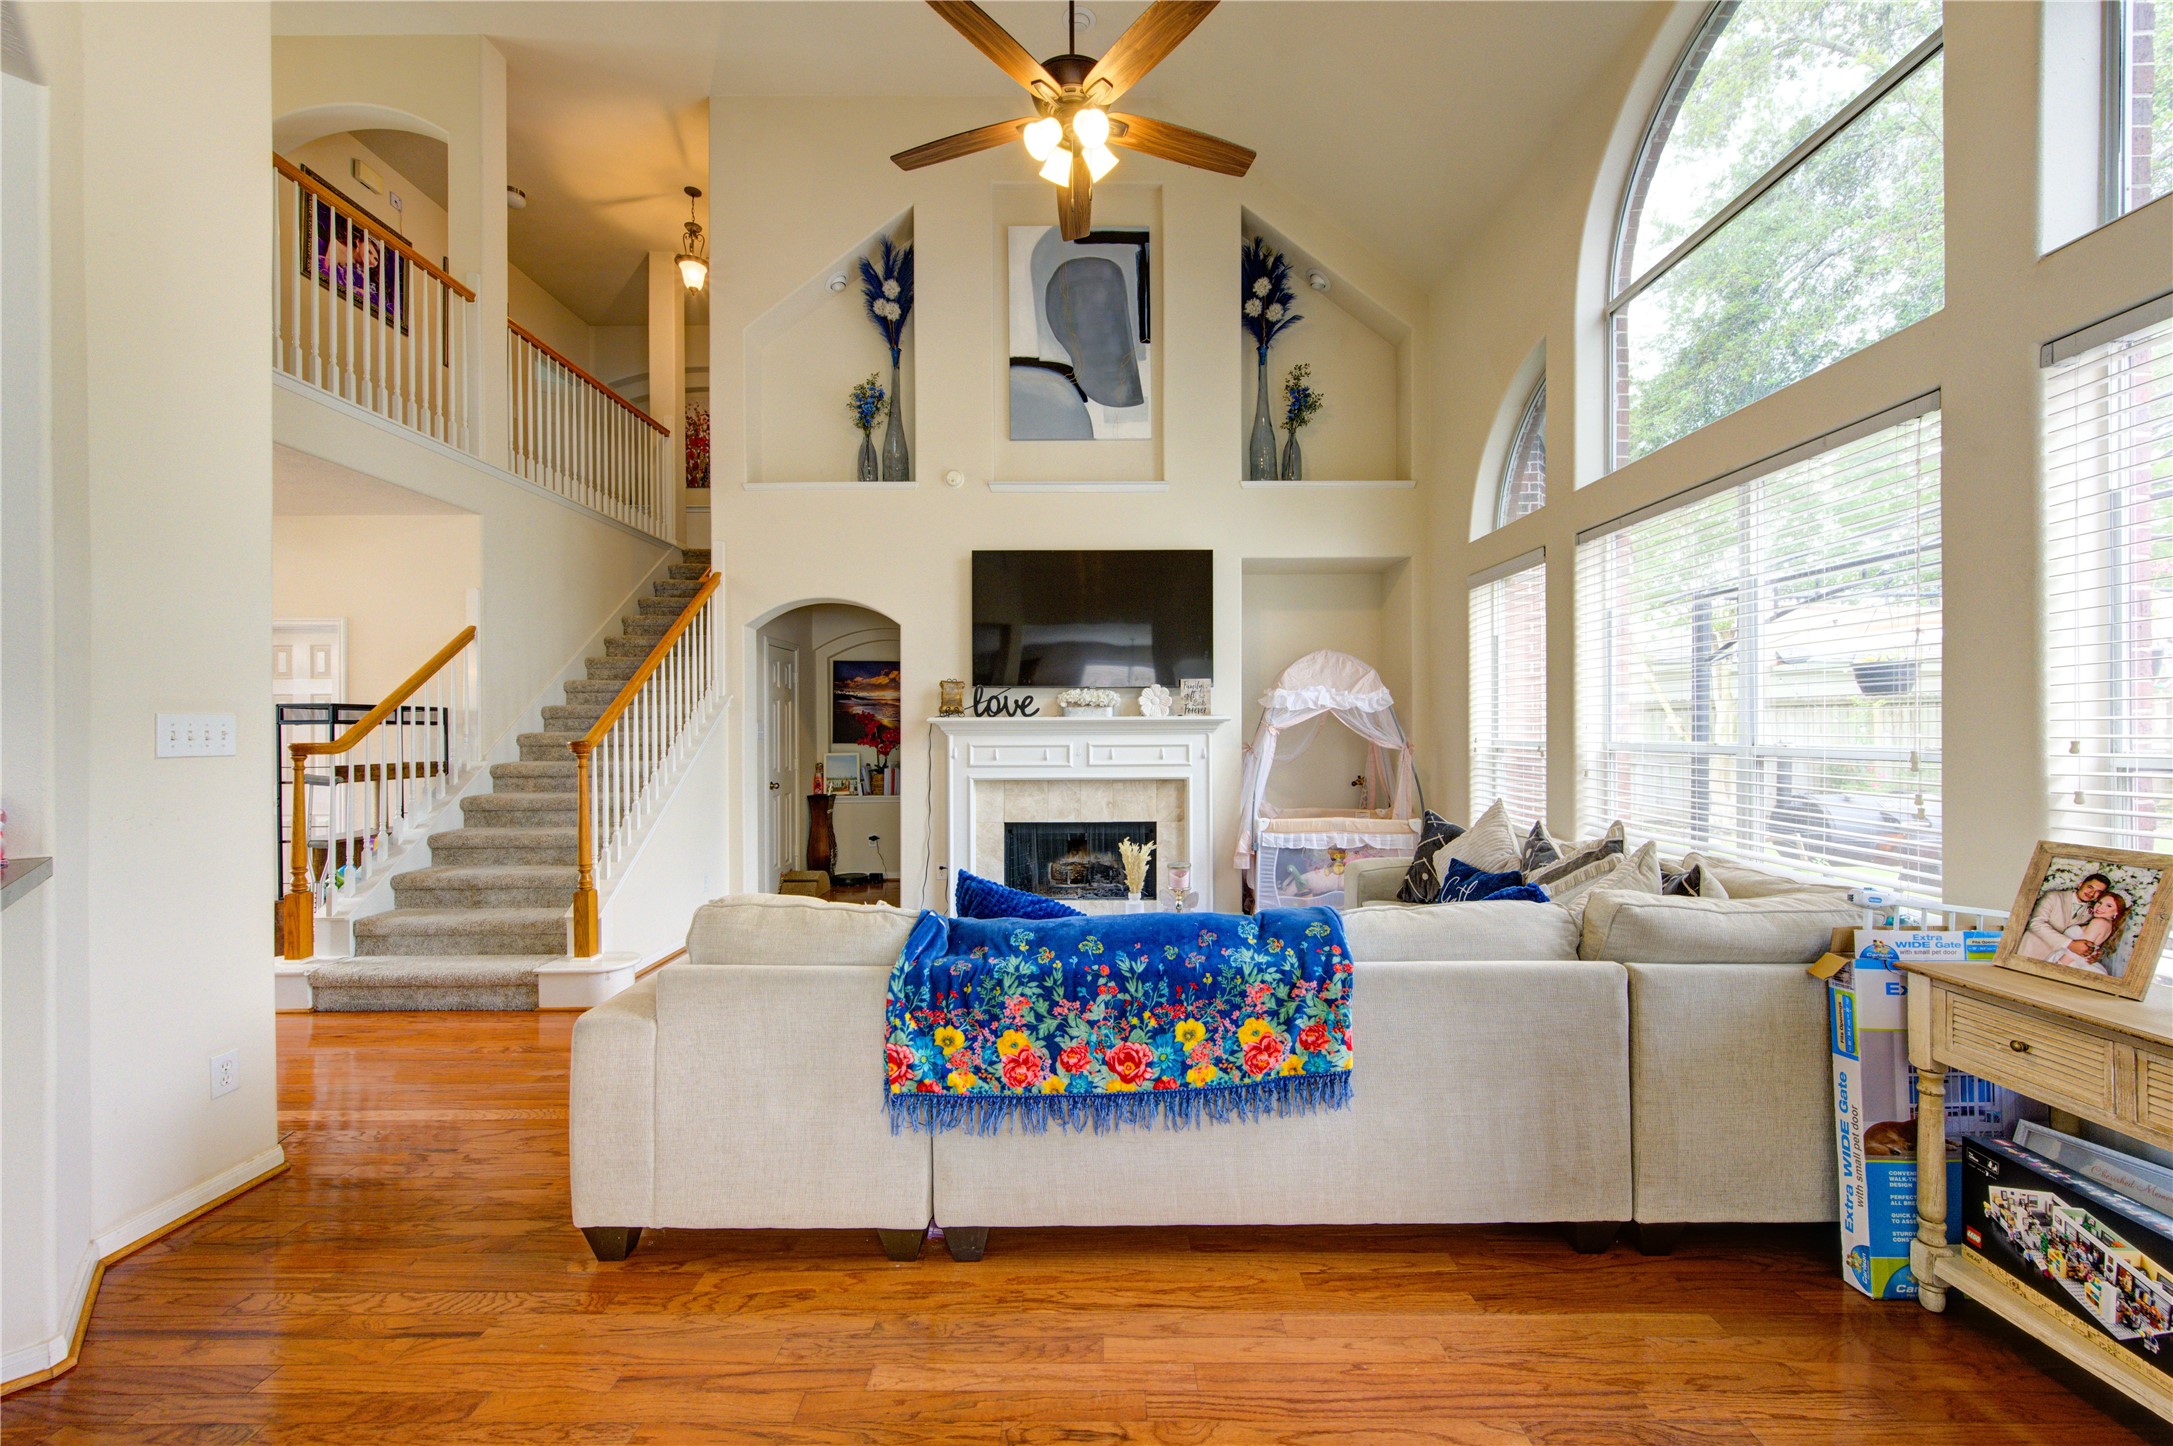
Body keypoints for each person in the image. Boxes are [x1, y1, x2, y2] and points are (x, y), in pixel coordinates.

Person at [2019, 872, 2116, 968]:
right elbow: (2036, 924)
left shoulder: (2093, 912)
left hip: (2057, 960)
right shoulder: (2054, 896)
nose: (2092, 893)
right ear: (2080, 884)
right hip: (2030, 952)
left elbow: (2091, 936)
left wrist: (2095, 952)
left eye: (2098, 892)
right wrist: (2070, 944)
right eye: (2090, 887)